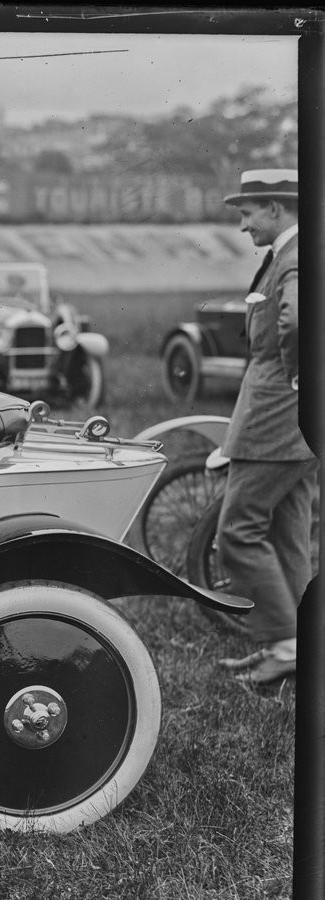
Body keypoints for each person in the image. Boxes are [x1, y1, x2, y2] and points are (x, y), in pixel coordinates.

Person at [214, 168, 315, 686]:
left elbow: (297, 322)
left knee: (237, 532)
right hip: (296, 426)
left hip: (277, 419)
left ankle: (285, 645)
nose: (243, 224)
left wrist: (297, 375)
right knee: (287, 536)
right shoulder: (294, 252)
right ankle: (299, 645)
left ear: (276, 209)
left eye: (248, 212)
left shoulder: (295, 258)